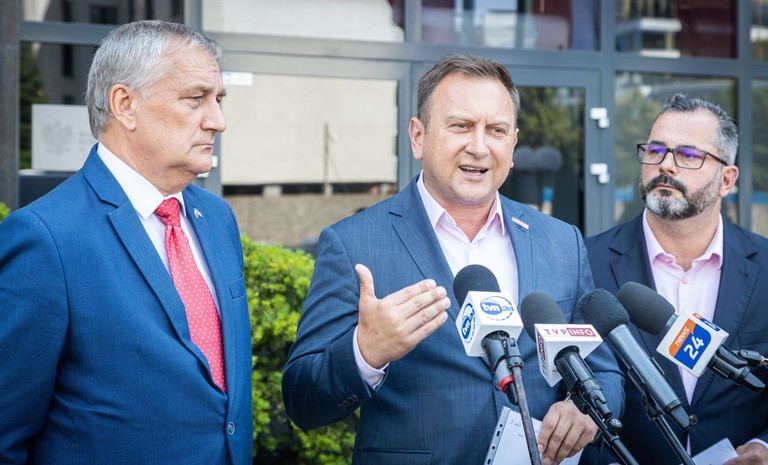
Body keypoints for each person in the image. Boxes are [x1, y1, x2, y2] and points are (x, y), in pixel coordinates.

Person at [282, 53, 624, 465]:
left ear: (513, 144)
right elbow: (302, 400)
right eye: (460, 125)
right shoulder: (353, 243)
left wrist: (584, 408)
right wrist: (365, 352)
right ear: (418, 136)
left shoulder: (561, 241)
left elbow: (604, 370)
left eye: (496, 130)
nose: (478, 147)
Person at [0, 20, 252, 465]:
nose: (219, 121)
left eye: (218, 100)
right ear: (125, 105)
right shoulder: (46, 237)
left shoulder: (217, 218)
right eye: (196, 99)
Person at [586, 94, 768, 465]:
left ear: (727, 179)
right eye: (655, 150)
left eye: (688, 155)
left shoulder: (765, 266)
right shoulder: (586, 262)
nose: (665, 165)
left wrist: (764, 448)